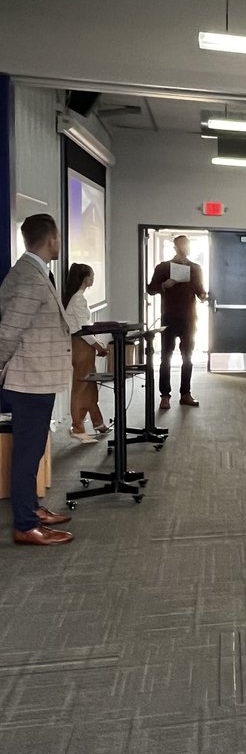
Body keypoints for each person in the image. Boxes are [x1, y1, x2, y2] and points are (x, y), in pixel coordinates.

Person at [0, 214, 74, 545]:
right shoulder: (29, 278)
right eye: (58, 238)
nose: (59, 243)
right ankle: (26, 525)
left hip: (37, 378)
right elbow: (8, 332)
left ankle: (33, 509)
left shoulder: (33, 272)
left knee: (33, 451)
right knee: (27, 454)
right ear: (52, 240)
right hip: (28, 380)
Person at [147, 234, 207, 409]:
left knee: (187, 357)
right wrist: (165, 285)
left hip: (189, 318)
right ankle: (164, 396)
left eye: (187, 245)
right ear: (175, 247)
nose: (185, 248)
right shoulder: (163, 268)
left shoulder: (195, 268)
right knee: (166, 356)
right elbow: (151, 289)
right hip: (169, 316)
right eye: (182, 245)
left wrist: (203, 296)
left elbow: (200, 291)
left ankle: (185, 393)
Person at [62, 262, 109, 442]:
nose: (93, 279)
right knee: (81, 386)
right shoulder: (79, 299)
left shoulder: (74, 297)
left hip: (81, 345)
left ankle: (98, 423)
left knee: (89, 385)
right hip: (81, 345)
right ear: (85, 279)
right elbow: (83, 329)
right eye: (92, 276)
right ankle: (77, 426)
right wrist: (99, 346)